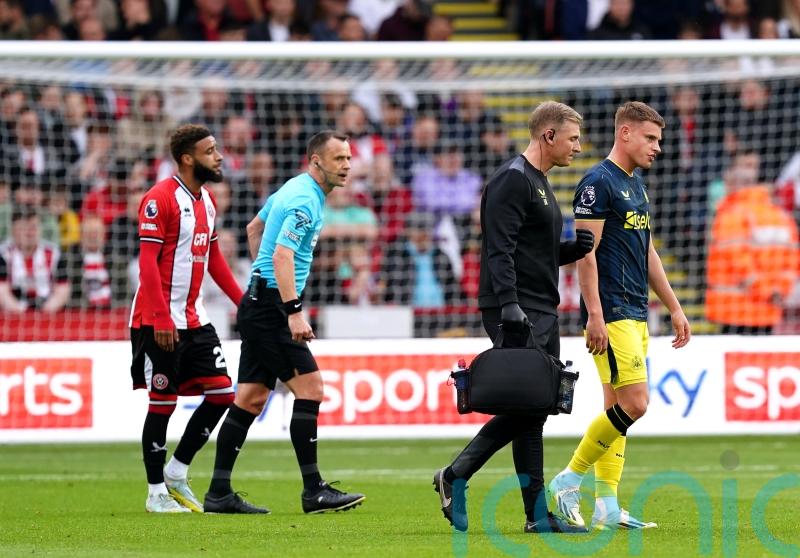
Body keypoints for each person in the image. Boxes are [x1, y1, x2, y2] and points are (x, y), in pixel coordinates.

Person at [432, 101, 595, 534]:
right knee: (531, 403)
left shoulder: (538, 182)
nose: (578, 147)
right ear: (548, 136)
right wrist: (508, 304)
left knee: (534, 409)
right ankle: (455, 475)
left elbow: (531, 253)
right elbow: (498, 249)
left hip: (540, 304)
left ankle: (534, 515)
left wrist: (567, 253)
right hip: (518, 307)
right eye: (573, 138)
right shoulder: (512, 180)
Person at [204, 130, 366, 514]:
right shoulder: (305, 201)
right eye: (338, 159)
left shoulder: (293, 188)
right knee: (311, 389)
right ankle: (314, 491)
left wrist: (260, 281)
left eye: (348, 158)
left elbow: (253, 230)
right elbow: (281, 256)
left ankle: (218, 493)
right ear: (316, 161)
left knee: (251, 398)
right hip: (273, 308)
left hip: (259, 301)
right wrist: (292, 309)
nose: (346, 165)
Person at [549, 101, 692, 530]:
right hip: (610, 312)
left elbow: (647, 251)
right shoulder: (597, 183)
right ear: (625, 133)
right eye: (650, 138)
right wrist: (594, 313)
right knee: (636, 404)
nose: (657, 148)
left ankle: (607, 505)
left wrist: (674, 305)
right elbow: (584, 256)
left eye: (660, 140)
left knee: (616, 408)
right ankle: (568, 477)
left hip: (635, 310)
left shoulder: (636, 186)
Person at [128, 124, 244, 513]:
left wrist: (242, 303)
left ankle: (177, 470)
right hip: (157, 319)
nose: (219, 156)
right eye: (210, 150)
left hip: (194, 318)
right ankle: (155, 491)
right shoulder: (159, 199)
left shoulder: (207, 200)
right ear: (187, 158)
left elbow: (213, 260)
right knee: (163, 403)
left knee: (222, 394)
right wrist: (161, 318)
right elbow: (147, 265)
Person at [706, 151, 799, 334]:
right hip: (770, 309)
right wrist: (779, 291)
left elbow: (739, 260)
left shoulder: (732, 212)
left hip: (734, 311)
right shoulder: (781, 216)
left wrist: (764, 289)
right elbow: (793, 261)